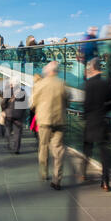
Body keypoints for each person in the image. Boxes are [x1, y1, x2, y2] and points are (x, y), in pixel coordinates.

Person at [31, 61, 69, 190]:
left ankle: (43, 172)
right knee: (58, 150)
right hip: (59, 120)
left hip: (44, 121)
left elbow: (32, 103)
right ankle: (57, 180)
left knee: (43, 147)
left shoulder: (40, 84)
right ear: (56, 71)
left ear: (47, 71)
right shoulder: (62, 84)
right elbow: (68, 102)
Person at [82, 58, 111, 191]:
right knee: (104, 154)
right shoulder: (105, 83)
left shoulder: (88, 84)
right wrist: (103, 110)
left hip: (90, 121)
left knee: (87, 149)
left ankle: (83, 173)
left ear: (92, 68)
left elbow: (86, 105)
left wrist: (86, 115)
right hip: (102, 121)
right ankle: (105, 182)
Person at [1, 79, 26, 154]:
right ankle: (16, 149)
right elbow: (25, 104)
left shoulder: (9, 91)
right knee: (17, 132)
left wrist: (4, 110)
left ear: (12, 84)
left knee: (8, 129)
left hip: (9, 114)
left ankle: (9, 144)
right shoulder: (23, 91)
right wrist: (22, 113)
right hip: (18, 115)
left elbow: (3, 102)